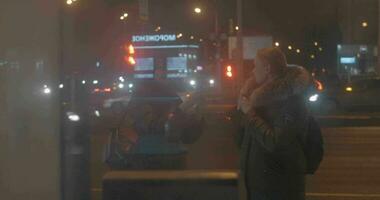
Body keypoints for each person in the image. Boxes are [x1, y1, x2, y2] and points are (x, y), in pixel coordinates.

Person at [238, 48, 312, 200]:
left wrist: (250, 113)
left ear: (267, 68)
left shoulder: (289, 100)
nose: (252, 71)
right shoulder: (259, 99)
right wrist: (244, 97)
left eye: (255, 66)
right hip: (263, 185)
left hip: (279, 188)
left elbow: (275, 142)